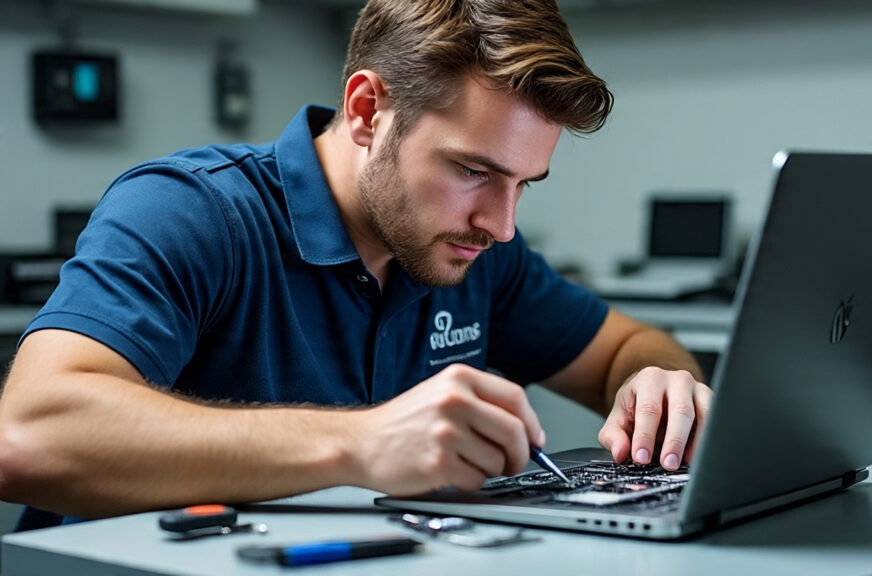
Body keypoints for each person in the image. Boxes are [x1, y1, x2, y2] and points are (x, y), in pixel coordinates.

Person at [0, 0, 710, 528]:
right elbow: (28, 437)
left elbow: (629, 346)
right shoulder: (192, 212)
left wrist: (659, 384)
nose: (500, 223)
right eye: (472, 171)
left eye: (523, 184)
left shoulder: (477, 251)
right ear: (368, 110)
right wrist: (361, 444)